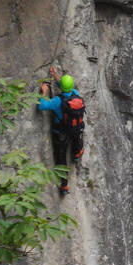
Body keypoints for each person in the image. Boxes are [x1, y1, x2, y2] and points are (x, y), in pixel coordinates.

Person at [38, 66, 84, 195]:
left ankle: (64, 186)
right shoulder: (76, 94)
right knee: (78, 134)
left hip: (61, 133)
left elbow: (42, 106)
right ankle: (77, 152)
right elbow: (65, 87)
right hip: (75, 129)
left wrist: (44, 92)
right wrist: (56, 75)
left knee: (61, 158)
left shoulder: (57, 101)